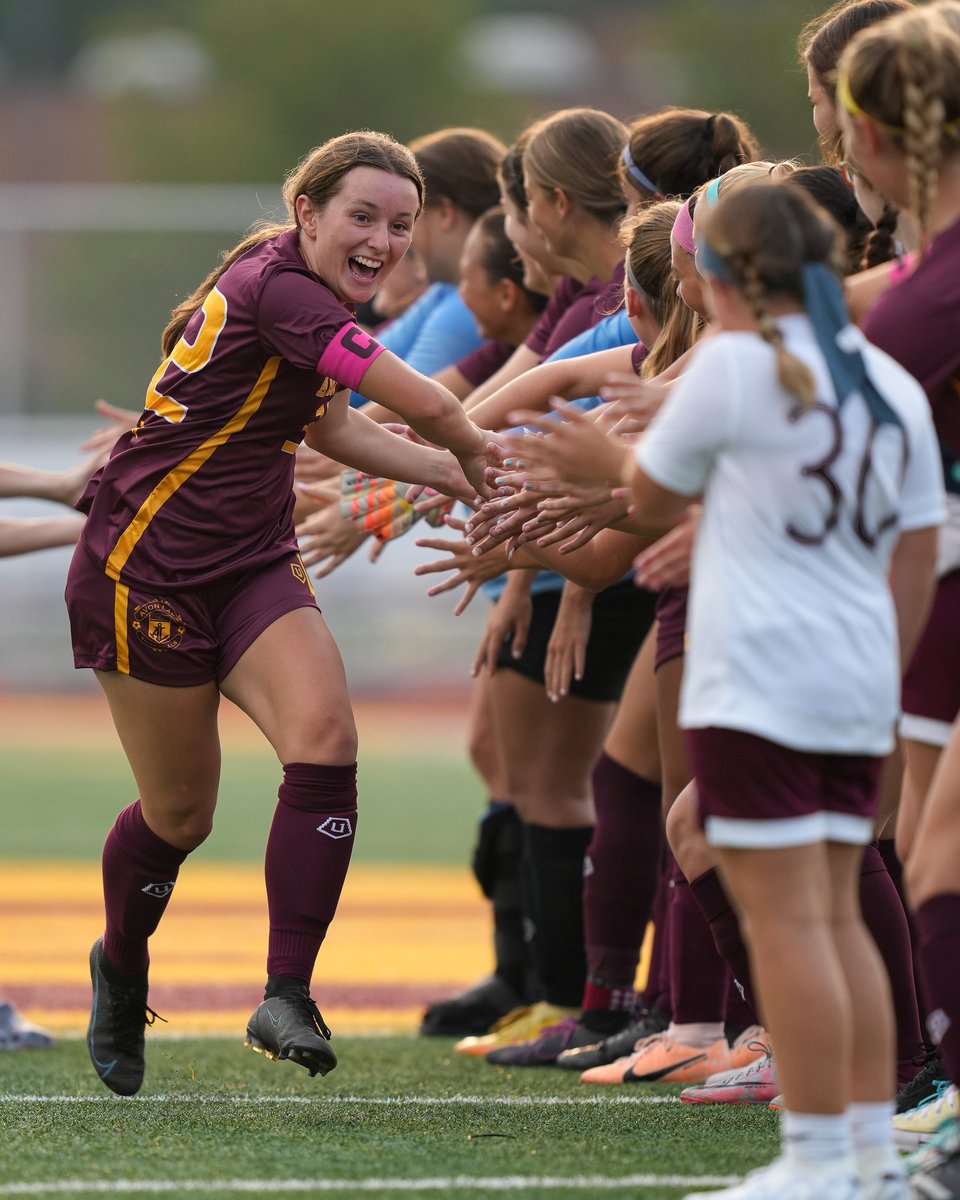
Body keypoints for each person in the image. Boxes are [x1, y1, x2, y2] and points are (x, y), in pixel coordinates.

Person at [503, 179, 943, 1200]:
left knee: (791, 924)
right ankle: (867, 1152)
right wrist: (885, 673)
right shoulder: (883, 377)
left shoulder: (739, 365)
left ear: (723, 277)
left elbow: (647, 498)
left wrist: (589, 458)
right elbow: (918, 552)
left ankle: (822, 1163)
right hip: (858, 683)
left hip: (759, 680)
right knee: (838, 915)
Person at [65, 130, 500, 1097]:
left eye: (399, 224)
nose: (383, 241)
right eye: (362, 217)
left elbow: (329, 424)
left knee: (327, 739)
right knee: (181, 815)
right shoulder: (284, 289)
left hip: (252, 560)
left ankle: (286, 993)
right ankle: (121, 964)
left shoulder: (302, 288)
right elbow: (428, 404)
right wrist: (476, 455)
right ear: (306, 212)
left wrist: (446, 471)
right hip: (144, 570)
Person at [836, 7, 960, 1188]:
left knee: (937, 857)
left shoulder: (936, 287)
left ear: (870, 133)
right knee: (927, 845)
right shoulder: (925, 272)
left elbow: (809, 426)